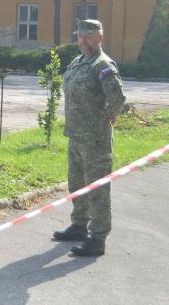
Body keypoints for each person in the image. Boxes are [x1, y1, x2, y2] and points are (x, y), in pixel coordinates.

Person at [53, 19, 125, 257]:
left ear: (100, 38)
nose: (83, 41)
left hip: (95, 140)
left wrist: (106, 117)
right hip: (76, 136)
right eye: (80, 36)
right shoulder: (78, 62)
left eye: (89, 37)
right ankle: (79, 226)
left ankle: (97, 239)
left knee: (97, 190)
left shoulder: (102, 65)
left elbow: (117, 98)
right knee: (77, 185)